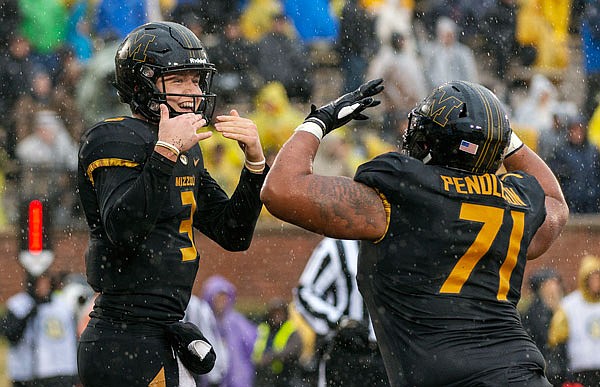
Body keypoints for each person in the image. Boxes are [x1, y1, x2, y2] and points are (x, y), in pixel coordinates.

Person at [260, 79, 569, 386]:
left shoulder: (403, 194)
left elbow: (280, 189)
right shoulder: (513, 202)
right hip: (522, 374)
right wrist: (500, 135)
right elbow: (556, 206)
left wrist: (318, 121)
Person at [76, 21, 267, 386]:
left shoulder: (186, 148)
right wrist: (164, 151)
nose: (192, 91)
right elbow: (123, 229)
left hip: (161, 333)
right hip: (124, 336)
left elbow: (233, 233)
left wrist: (255, 164)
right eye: (179, 80)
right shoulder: (113, 138)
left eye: (196, 80)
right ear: (141, 82)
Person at [295, 237, 390, 387]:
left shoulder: (399, 243)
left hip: (389, 354)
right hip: (347, 352)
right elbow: (305, 293)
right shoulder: (336, 246)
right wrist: (340, 322)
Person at [0, 271, 79, 386]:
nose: (43, 288)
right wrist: (29, 313)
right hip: (26, 374)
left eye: (46, 283)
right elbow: (10, 335)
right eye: (39, 283)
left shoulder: (63, 305)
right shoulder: (18, 304)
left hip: (61, 371)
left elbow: (74, 335)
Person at [548, 255, 600, 386]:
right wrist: (562, 371)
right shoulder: (569, 305)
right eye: (593, 278)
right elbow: (558, 342)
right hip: (579, 372)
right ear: (585, 279)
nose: (596, 282)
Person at [201, 275, 258, 387]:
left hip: (238, 379)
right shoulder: (204, 320)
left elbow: (253, 344)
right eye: (218, 297)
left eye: (224, 297)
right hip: (212, 379)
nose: (222, 301)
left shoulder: (237, 321)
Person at [521, 269, 566, 385]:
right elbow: (545, 338)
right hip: (545, 367)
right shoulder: (537, 311)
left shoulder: (555, 308)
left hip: (552, 367)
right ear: (542, 287)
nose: (556, 287)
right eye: (552, 283)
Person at [252, 298, 303, 387]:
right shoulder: (262, 328)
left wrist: (272, 356)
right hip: (262, 376)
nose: (277, 316)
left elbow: (292, 349)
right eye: (274, 313)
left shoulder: (291, 329)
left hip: (285, 376)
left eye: (280, 313)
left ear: (285, 314)